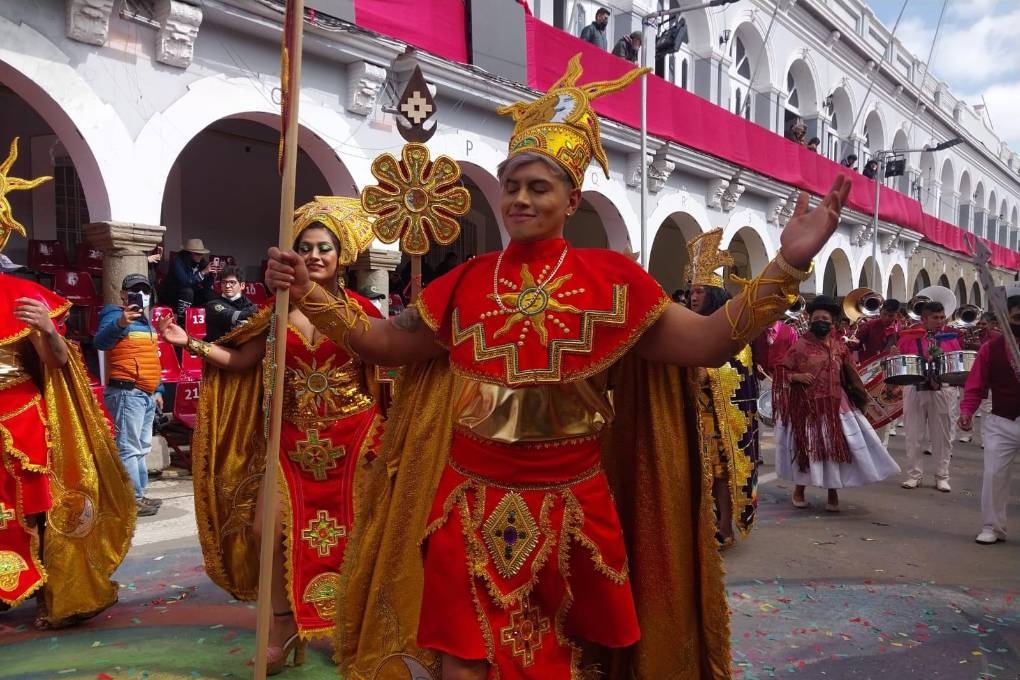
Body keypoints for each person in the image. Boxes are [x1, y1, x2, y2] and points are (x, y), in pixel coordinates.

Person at [266, 54, 851, 680]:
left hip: (575, 504)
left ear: (572, 199)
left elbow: (707, 343)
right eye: (512, 185)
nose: (519, 199)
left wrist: (785, 266)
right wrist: (314, 297)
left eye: (537, 187)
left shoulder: (614, 281)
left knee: (576, 661)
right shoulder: (463, 284)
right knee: (461, 661)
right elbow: (383, 343)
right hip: (468, 500)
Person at [159, 197, 382, 674]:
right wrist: (191, 343)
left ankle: (355, 626)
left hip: (354, 441)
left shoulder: (361, 311)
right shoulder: (275, 310)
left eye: (326, 247)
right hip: (290, 443)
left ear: (343, 257)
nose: (316, 255)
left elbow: (383, 375)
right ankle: (284, 627)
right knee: (268, 534)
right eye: (306, 247)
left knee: (358, 537)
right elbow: (241, 361)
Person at [0, 137, 134, 628]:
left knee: (34, 510)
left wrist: (49, 329)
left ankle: (52, 592)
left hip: (21, 422)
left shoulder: (23, 297)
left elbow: (58, 364)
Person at [773, 296, 900, 511]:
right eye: (816, 318)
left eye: (825, 318)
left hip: (837, 405)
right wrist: (797, 377)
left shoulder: (841, 347)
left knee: (835, 449)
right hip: (807, 406)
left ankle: (833, 493)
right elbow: (781, 371)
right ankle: (799, 489)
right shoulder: (800, 346)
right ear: (810, 320)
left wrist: (868, 398)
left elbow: (852, 375)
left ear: (833, 322)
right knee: (807, 448)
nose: (821, 321)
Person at [687, 231, 760, 546]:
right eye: (691, 292)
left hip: (718, 418)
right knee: (693, 476)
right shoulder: (686, 326)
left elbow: (737, 366)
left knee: (720, 475)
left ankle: (725, 528)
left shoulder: (730, 329)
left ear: (714, 296)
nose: (693, 297)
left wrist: (706, 372)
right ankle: (699, 528)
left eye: (699, 292)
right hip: (691, 414)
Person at [93, 273, 165, 516]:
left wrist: (158, 389)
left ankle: (139, 494)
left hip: (144, 393)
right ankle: (131, 499)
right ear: (124, 295)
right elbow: (100, 342)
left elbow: (152, 359)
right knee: (128, 447)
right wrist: (121, 323)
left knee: (141, 447)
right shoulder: (114, 314)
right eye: (135, 291)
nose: (141, 295)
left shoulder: (147, 323)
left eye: (145, 291)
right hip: (127, 392)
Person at [959, 296, 1020, 544]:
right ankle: (992, 527)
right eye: (1016, 317)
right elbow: (976, 384)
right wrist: (967, 411)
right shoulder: (990, 349)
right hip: (1001, 421)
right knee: (994, 474)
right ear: (1005, 318)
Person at [895, 301, 963, 491]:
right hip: (914, 388)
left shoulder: (951, 338)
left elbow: (956, 364)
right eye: (935, 318)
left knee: (942, 435)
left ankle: (942, 476)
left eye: (942, 317)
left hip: (943, 389)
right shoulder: (908, 337)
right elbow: (900, 361)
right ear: (924, 319)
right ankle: (914, 475)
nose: (940, 321)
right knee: (913, 434)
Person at [162, 238, 218, 320]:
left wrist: (212, 276)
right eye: (198, 254)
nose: (201, 256)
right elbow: (185, 282)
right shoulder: (177, 262)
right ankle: (182, 320)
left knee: (209, 293)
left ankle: (212, 320)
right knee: (188, 291)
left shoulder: (202, 263)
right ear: (189, 254)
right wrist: (202, 273)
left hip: (192, 295)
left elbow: (206, 286)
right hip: (174, 295)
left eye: (202, 254)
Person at [204, 265, 258, 342]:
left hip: (240, 348)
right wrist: (253, 312)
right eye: (224, 282)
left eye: (232, 282)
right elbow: (230, 316)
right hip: (217, 349)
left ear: (242, 285)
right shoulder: (212, 304)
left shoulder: (249, 304)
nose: (227, 286)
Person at [849, 299, 901, 365]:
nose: (887, 318)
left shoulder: (901, 329)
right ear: (880, 311)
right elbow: (856, 343)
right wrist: (853, 342)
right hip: (870, 365)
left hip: (893, 365)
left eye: (891, 316)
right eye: (884, 314)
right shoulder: (869, 325)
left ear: (897, 315)